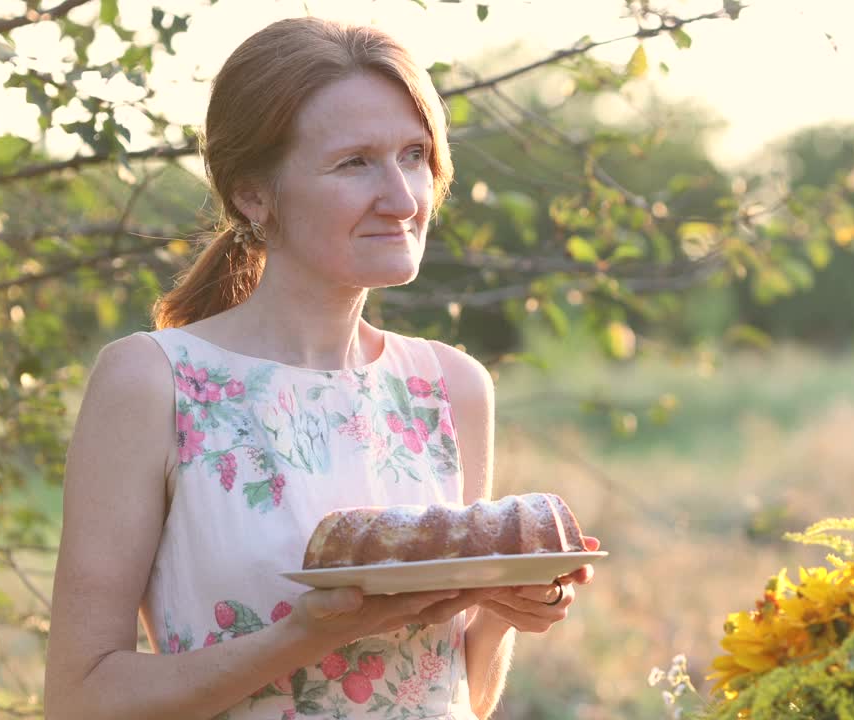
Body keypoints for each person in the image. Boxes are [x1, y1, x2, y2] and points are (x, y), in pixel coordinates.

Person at [43, 17, 599, 720]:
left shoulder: (452, 388)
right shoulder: (153, 382)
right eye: (355, 162)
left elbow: (455, 694)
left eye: (415, 154)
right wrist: (303, 635)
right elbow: (80, 699)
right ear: (252, 194)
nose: (402, 199)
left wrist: (507, 609)